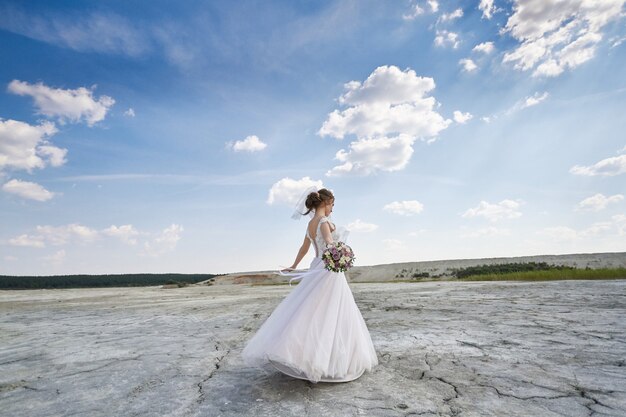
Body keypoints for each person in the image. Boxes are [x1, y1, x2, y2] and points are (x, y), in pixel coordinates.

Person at [241, 188, 379, 383]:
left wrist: (294, 266)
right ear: (326, 202)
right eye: (332, 205)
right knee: (330, 312)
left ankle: (299, 352)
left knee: (311, 310)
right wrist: (342, 253)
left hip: (317, 265)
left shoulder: (310, 224)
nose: (332, 209)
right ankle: (325, 361)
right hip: (328, 270)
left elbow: (305, 248)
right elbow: (330, 244)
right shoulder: (323, 222)